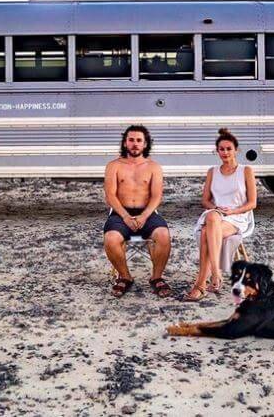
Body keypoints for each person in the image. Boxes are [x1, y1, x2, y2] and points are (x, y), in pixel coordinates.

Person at [183, 128, 257, 301]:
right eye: (221, 149)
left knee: (205, 233)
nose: (225, 152)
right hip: (217, 213)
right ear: (217, 151)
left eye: (228, 149)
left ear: (236, 150)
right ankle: (215, 274)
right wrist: (216, 207)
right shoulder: (212, 171)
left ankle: (201, 284)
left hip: (237, 216)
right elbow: (205, 201)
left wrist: (232, 211)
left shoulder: (246, 171)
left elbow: (252, 203)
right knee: (211, 216)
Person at [103, 125, 172, 298]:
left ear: (145, 144)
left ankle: (156, 277)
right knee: (111, 239)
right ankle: (125, 277)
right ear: (125, 143)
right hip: (120, 213)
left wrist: (144, 216)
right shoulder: (114, 165)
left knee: (163, 234)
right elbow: (110, 195)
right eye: (131, 140)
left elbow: (157, 196)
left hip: (147, 213)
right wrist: (125, 216)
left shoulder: (154, 167)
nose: (135, 144)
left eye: (139, 140)